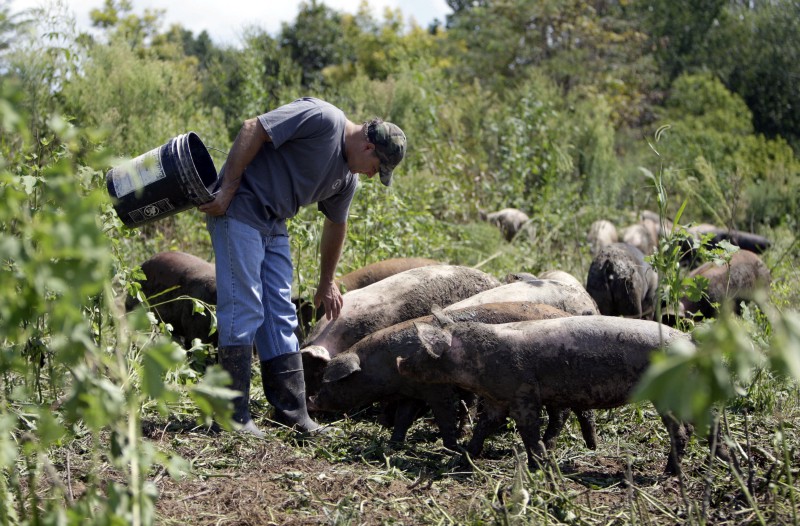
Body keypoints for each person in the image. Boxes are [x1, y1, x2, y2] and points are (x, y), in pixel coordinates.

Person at [199, 97, 406, 436]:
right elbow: (254, 128)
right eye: (375, 168)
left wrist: (327, 281)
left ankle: (292, 412)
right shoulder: (323, 118)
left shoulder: (346, 179)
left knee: (281, 313)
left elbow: (336, 225)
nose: (370, 175)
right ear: (368, 147)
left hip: (273, 223)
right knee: (244, 306)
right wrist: (227, 189)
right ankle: (231, 416)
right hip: (239, 210)